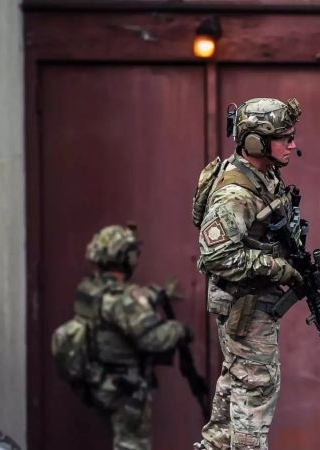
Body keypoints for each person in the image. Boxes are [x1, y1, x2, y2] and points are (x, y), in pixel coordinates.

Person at [193, 97, 305, 450]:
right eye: (285, 137)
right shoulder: (234, 193)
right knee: (255, 387)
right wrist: (276, 266)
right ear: (256, 142)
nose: (293, 144)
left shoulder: (264, 175)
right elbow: (216, 256)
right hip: (244, 305)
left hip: (255, 303)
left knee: (233, 396)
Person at [78, 224, 189, 450]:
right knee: (131, 445)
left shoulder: (89, 289)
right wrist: (180, 330)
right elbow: (152, 338)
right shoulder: (126, 298)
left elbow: (116, 308)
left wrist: (156, 294)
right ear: (125, 257)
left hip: (100, 380)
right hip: (126, 389)